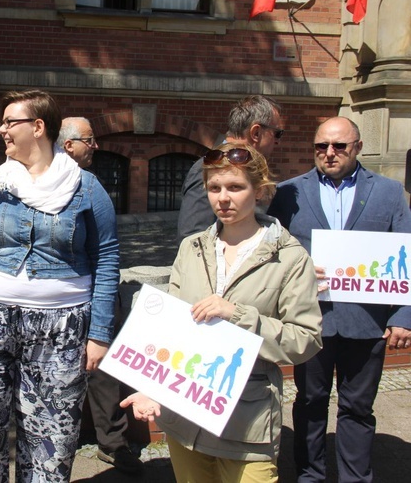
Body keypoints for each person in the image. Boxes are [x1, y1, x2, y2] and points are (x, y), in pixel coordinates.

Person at [0, 90, 120, 482]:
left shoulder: (86, 188)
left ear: (38, 127)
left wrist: (101, 333)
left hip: (60, 328)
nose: (2, 130)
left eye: (10, 122)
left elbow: (107, 258)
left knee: (50, 444)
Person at [122, 142, 323, 481]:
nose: (223, 198)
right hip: (184, 419)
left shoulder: (289, 257)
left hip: (247, 423)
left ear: (259, 191)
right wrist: (149, 387)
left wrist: (237, 314)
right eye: (214, 188)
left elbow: (305, 340)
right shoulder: (192, 247)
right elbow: (167, 326)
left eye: (235, 187)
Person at [267, 116, 411, 482]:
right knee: (309, 403)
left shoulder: (389, 192)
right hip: (309, 320)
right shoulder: (288, 193)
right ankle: (310, 474)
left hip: (367, 321)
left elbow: (407, 255)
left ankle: (354, 477)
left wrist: (404, 316)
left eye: (339, 146)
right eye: (321, 146)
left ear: (357, 148)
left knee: (358, 408)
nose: (329, 153)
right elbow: (268, 251)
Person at [58, 117, 144, 475]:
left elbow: (107, 252)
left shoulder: (90, 186)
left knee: (104, 369)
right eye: (89, 140)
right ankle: (62, 437)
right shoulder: (34, 183)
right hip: (55, 299)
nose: (95, 146)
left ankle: (113, 442)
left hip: (94, 293)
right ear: (68, 145)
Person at [177, 95, 283, 243]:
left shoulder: (251, 166)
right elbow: (193, 237)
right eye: (277, 133)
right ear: (256, 133)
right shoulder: (209, 167)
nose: (277, 142)